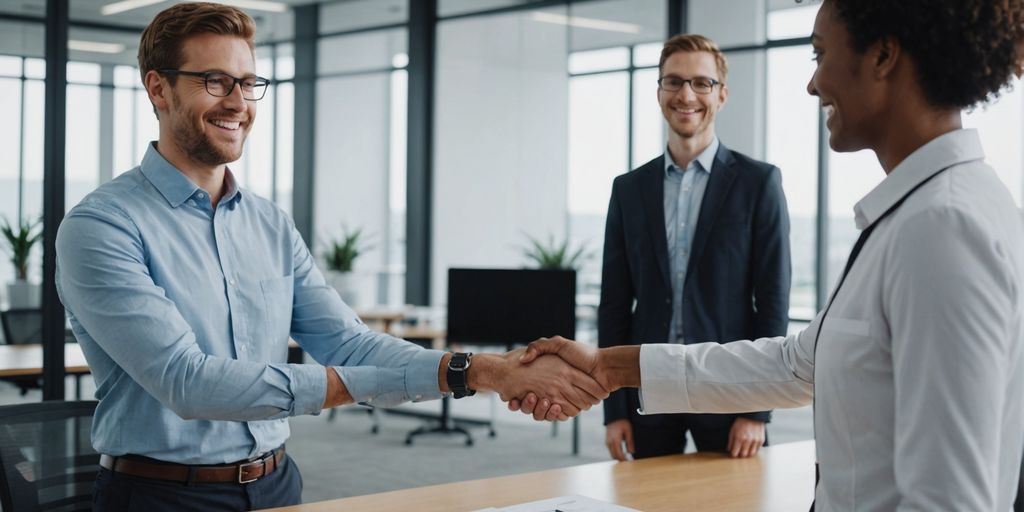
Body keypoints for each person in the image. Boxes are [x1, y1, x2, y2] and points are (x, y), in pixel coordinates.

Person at [55, 3, 603, 510]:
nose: (238, 103)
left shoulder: (269, 223)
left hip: (279, 483)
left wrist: (480, 370)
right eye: (214, 81)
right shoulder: (102, 226)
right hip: (161, 496)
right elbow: (188, 382)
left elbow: (347, 343)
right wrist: (367, 384)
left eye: (248, 83)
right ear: (159, 88)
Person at [515, 0, 1024, 509]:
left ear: (883, 56)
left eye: (820, 55)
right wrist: (610, 366)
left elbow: (950, 501)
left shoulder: (944, 228)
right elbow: (797, 364)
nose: (813, 83)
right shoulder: (918, 214)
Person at [598, 33, 790, 461]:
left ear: (721, 95)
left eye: (701, 83)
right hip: (648, 387)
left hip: (729, 390)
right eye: (674, 81)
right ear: (659, 92)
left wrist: (758, 410)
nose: (687, 94)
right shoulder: (628, 189)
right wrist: (614, 409)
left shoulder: (760, 184)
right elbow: (613, 304)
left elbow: (773, 302)